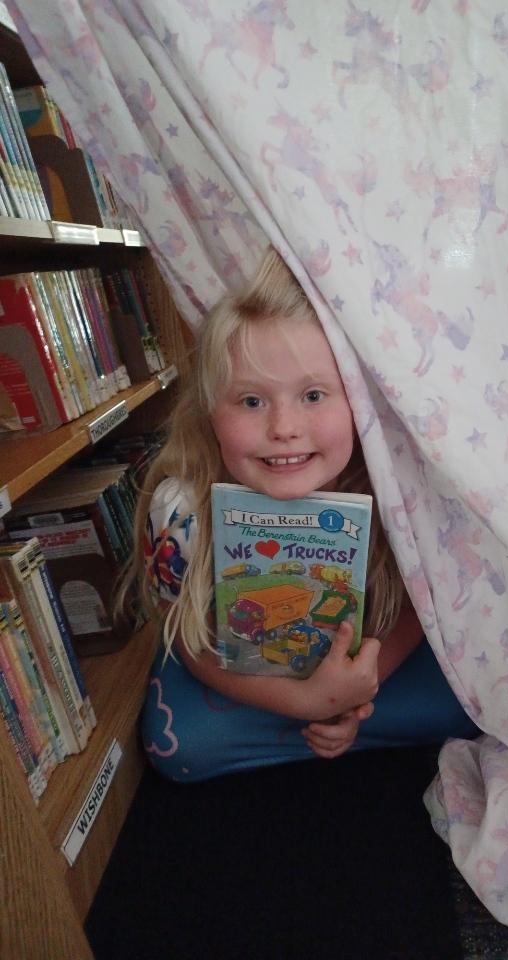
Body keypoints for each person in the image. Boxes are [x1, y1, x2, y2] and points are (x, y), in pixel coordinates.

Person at [128, 246, 477, 782]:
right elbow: (186, 640)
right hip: (242, 668)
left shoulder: (396, 492)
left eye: (313, 395)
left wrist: (352, 696)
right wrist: (304, 704)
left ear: (358, 404)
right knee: (181, 746)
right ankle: (309, 725)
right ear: (210, 412)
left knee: (468, 706)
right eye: (251, 401)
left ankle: (328, 726)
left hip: (364, 669)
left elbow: (415, 611)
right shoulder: (181, 507)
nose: (284, 427)